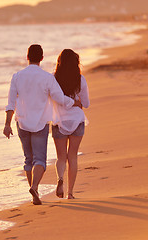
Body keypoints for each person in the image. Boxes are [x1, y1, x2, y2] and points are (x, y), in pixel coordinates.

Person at [3, 44, 81, 205]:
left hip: (22, 122)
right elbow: (59, 98)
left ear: (27, 57)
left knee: (28, 160)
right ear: (42, 58)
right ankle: (35, 186)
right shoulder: (47, 78)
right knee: (40, 160)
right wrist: (73, 102)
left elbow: (11, 103)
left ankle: (34, 192)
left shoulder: (17, 76)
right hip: (40, 123)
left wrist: (7, 124)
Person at [51, 49, 90, 199]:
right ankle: (70, 193)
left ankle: (60, 179)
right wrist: (77, 101)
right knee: (72, 157)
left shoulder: (53, 78)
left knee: (61, 157)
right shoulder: (81, 79)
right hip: (77, 121)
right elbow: (86, 104)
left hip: (59, 121)